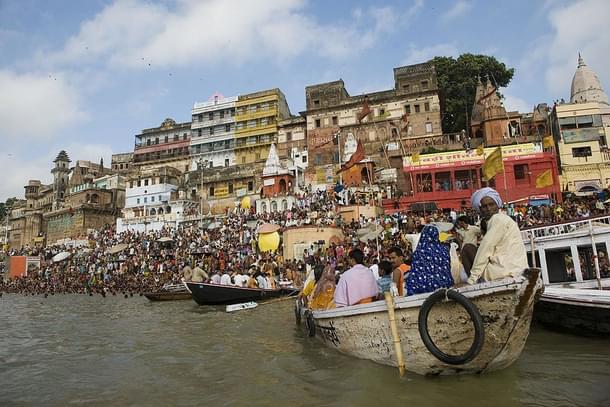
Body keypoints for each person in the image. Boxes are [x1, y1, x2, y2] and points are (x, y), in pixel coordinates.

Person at [466, 187, 528, 285]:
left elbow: (486, 248)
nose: (489, 209)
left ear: (497, 205)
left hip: (503, 271)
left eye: (491, 205)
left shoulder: (497, 219)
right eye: (484, 206)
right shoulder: (504, 219)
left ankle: (475, 283)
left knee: (467, 248)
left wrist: (472, 279)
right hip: (518, 270)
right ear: (480, 210)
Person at [406, 225, 454, 295]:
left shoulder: (419, 252)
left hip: (425, 287)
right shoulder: (445, 249)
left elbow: (415, 271)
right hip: (446, 283)